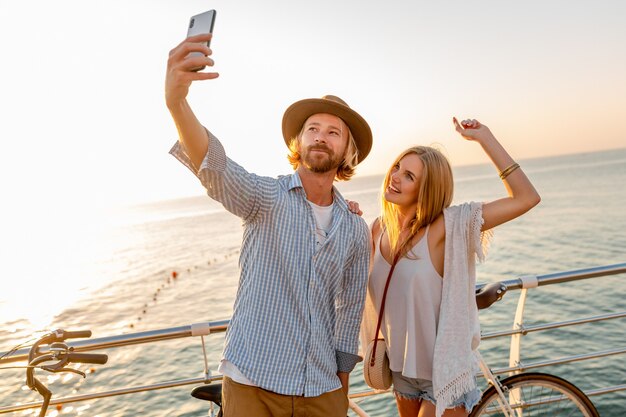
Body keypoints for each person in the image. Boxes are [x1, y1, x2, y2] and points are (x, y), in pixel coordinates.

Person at [165, 33, 372, 417]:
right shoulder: (266, 198)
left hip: (323, 387)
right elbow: (218, 167)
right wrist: (177, 103)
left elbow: (349, 313)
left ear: (347, 151)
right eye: (313, 128)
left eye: (333, 132)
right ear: (299, 140)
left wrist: (340, 393)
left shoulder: (356, 229)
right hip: (253, 382)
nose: (321, 137)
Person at [360, 118, 541, 417]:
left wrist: (486, 138)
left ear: (426, 189)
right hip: (400, 370)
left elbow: (526, 198)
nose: (395, 177)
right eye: (396, 168)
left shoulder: (447, 227)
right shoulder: (377, 228)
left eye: (408, 176)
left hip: (442, 372)